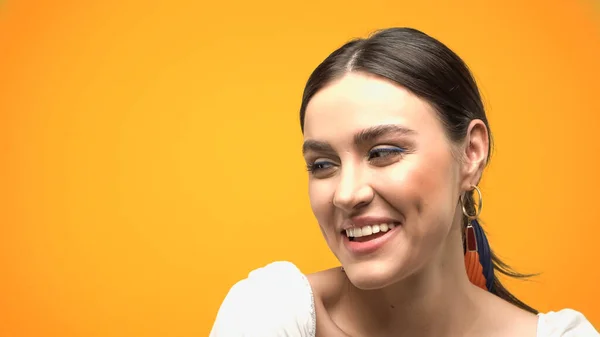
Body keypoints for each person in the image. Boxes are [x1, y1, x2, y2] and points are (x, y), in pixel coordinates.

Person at [209, 27, 599, 336]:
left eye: (383, 153)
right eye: (323, 164)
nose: (346, 194)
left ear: (471, 153)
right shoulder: (269, 314)